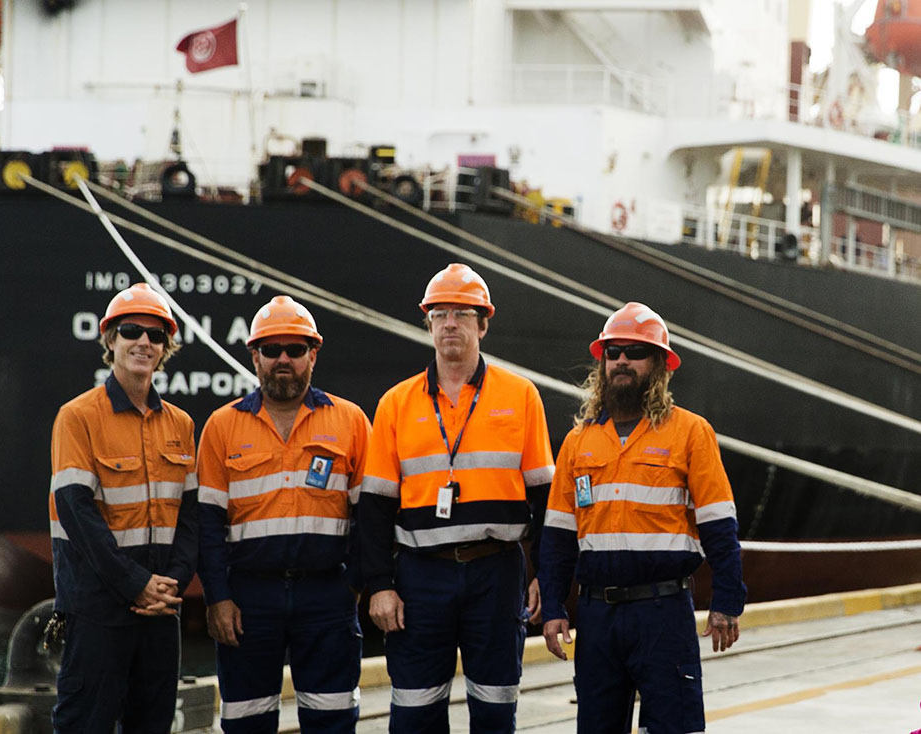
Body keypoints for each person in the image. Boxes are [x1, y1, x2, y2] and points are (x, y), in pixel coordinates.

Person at [359, 263, 555, 734]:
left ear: (483, 324)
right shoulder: (396, 404)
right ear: (428, 324)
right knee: (414, 711)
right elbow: (375, 507)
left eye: (462, 314)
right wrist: (379, 585)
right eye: (440, 314)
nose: (450, 324)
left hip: (497, 572)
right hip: (420, 577)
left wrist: (545, 574)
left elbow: (545, 498)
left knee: (494, 708)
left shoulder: (521, 396)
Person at [539, 301, 746, 734]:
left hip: (663, 613)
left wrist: (727, 601)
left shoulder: (690, 433)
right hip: (597, 617)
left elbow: (719, 525)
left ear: (659, 365)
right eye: (613, 352)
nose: (621, 361)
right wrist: (554, 607)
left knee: (674, 727)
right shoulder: (579, 442)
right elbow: (559, 535)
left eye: (634, 352)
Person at [197, 295, 371, 734]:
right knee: (246, 721)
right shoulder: (222, 426)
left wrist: (355, 585)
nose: (283, 360)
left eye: (295, 350)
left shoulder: (350, 421)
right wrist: (218, 597)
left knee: (332, 720)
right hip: (249, 600)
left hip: (328, 595)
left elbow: (370, 517)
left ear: (313, 353)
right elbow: (208, 525)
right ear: (254, 356)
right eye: (271, 350)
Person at [48, 282, 199, 733]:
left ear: (165, 347)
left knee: (152, 725)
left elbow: (189, 519)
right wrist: (134, 584)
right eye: (132, 331)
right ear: (110, 339)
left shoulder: (181, 424)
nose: (144, 342)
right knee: (85, 725)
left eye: (155, 335)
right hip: (97, 608)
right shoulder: (77, 417)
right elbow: (75, 512)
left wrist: (171, 587)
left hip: (159, 612)